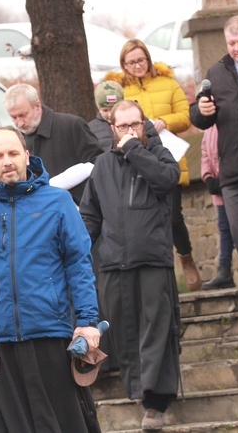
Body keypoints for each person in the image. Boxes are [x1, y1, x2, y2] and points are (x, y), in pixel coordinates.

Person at [0, 126, 101, 433]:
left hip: (50, 332)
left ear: (27, 156)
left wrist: (87, 320)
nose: (7, 161)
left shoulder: (57, 201)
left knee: (64, 424)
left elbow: (79, 264)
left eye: (13, 153)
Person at [80, 101, 182, 430]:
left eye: (134, 125)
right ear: (111, 128)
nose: (128, 131)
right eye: (121, 126)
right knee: (124, 332)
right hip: (112, 264)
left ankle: (156, 401)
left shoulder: (159, 155)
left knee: (156, 329)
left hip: (152, 259)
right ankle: (139, 391)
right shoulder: (102, 165)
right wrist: (77, 255)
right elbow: (90, 217)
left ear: (144, 125)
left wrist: (136, 149)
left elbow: (166, 181)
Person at [105, 38, 201, 291]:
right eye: (131, 62)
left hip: (165, 158)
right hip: (131, 165)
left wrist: (164, 122)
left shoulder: (168, 83)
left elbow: (185, 115)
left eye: (141, 60)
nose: (137, 66)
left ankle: (186, 258)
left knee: (173, 217)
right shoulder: (120, 90)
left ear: (148, 60)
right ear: (123, 65)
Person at [190, 14, 238, 311]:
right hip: (233, 169)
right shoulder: (217, 72)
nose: (236, 48)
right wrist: (203, 110)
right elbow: (197, 118)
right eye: (231, 43)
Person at [4, 84, 102, 204]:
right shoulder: (19, 139)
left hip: (79, 209)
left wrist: (64, 183)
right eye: (13, 117)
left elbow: (98, 165)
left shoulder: (71, 125)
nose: (19, 123)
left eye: (23, 115)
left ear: (37, 106)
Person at [200, 125, 238, 290]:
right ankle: (224, 272)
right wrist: (208, 176)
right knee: (224, 229)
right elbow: (204, 153)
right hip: (219, 187)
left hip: (235, 183)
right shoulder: (209, 126)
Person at [88, 81, 124, 152]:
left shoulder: (136, 121)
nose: (110, 114)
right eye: (105, 110)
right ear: (99, 109)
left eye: (114, 109)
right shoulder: (90, 129)